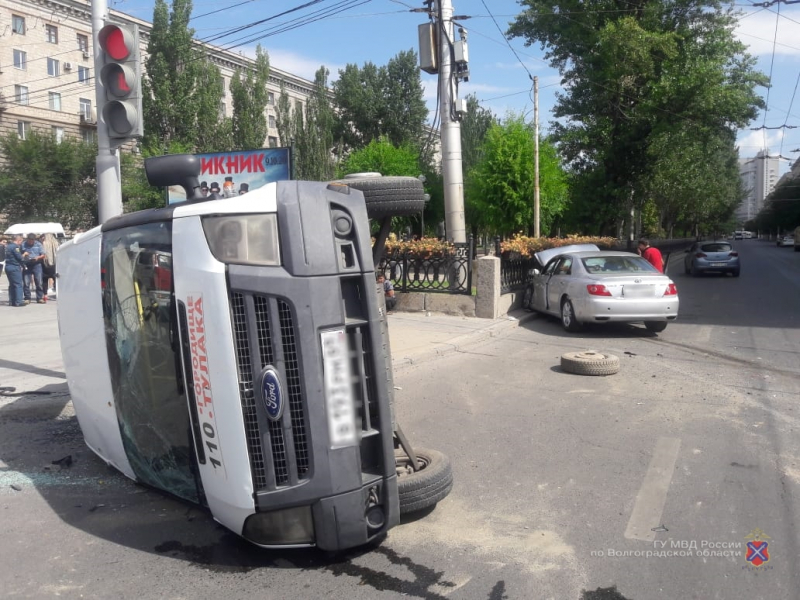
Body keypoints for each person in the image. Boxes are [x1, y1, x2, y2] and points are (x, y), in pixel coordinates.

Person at [21, 233, 46, 304]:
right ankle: (27, 298)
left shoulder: (38, 244)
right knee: (26, 282)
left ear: (34, 240)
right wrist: (24, 255)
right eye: (29, 240)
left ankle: (39, 297)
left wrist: (38, 257)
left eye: (32, 240)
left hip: (37, 264)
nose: (30, 242)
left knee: (39, 281)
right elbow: (20, 254)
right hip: (27, 264)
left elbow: (43, 255)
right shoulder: (23, 244)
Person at [4, 234, 26, 307]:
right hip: (14, 266)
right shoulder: (15, 247)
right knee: (18, 284)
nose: (21, 243)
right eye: (21, 241)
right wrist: (24, 255)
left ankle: (12, 300)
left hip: (8, 266)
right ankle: (18, 301)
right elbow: (19, 257)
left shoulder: (8, 246)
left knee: (12, 284)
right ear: (18, 240)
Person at [40, 233, 59, 299]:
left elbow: (42, 253)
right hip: (54, 263)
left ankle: (45, 294)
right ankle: (58, 293)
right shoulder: (56, 243)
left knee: (45, 279)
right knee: (56, 279)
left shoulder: (44, 244)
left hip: (46, 263)